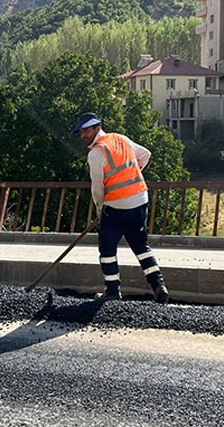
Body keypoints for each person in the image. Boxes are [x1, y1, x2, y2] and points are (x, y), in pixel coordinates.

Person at [73, 112, 169, 304]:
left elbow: (98, 188)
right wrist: (132, 176)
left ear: (97, 128)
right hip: (140, 198)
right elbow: (145, 155)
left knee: (107, 248)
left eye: (86, 131)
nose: (83, 135)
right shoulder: (121, 138)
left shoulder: (96, 153)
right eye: (81, 132)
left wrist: (100, 209)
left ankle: (112, 291)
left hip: (117, 205)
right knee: (141, 245)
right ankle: (158, 285)